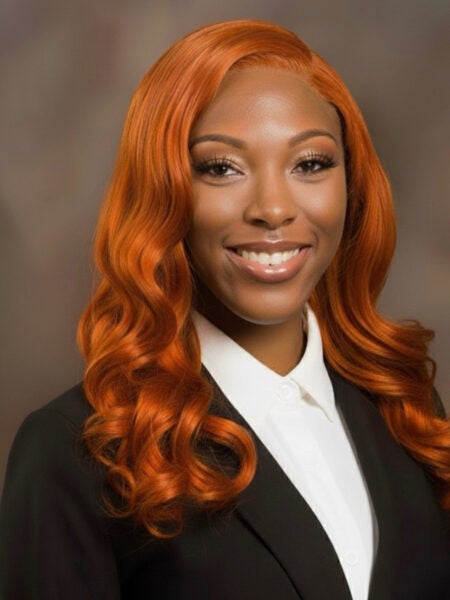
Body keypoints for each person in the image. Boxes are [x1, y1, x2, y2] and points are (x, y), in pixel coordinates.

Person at [0, 19, 448, 600]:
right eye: (221, 168)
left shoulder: (403, 407)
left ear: (352, 184)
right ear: (163, 192)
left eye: (310, 163)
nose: (273, 209)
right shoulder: (74, 453)